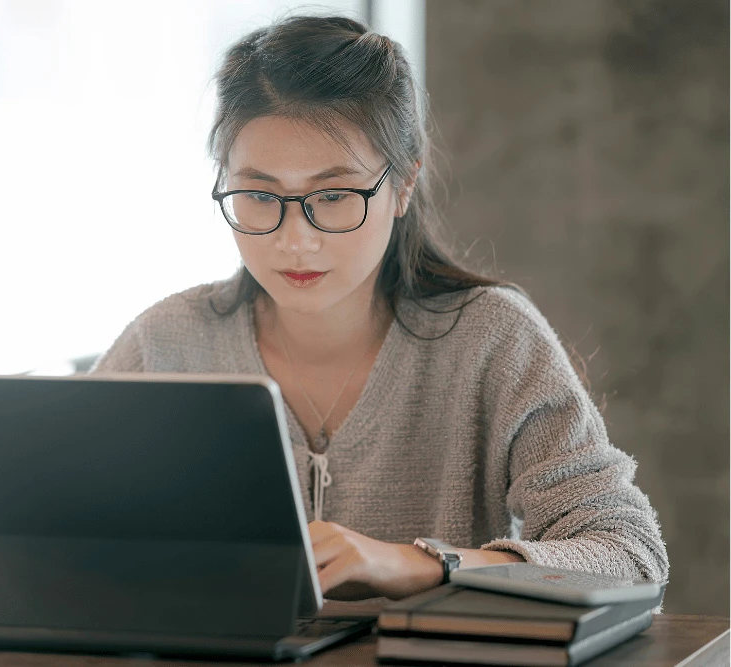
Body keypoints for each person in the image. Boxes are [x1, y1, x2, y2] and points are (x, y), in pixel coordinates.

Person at [91, 15, 668, 601]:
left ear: (404, 186)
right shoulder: (163, 343)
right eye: (261, 195)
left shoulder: (491, 339)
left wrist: (423, 565)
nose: (296, 239)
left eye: (335, 195)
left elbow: (630, 553)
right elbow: (50, 535)